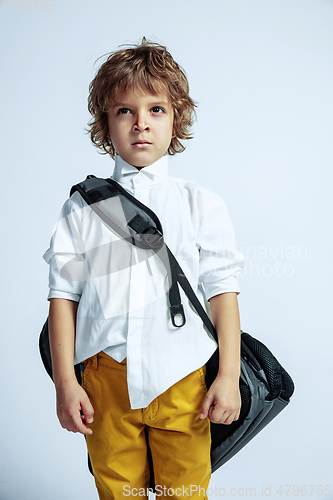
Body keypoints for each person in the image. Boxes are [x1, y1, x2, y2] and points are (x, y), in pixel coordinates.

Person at [43, 38, 245, 499]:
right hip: (105, 382)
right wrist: (66, 383)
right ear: (105, 124)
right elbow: (62, 297)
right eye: (124, 111)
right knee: (118, 493)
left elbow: (222, 292)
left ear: (177, 120)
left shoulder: (200, 205)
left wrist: (228, 375)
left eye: (156, 109)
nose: (141, 124)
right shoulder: (82, 208)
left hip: (184, 379)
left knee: (186, 493)